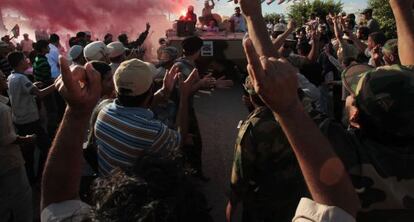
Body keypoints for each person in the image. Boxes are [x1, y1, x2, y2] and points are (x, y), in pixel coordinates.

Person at [227, 76, 310, 222]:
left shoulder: (253, 127)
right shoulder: (297, 113)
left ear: (251, 97)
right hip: (298, 197)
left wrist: (231, 205)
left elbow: (240, 173)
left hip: (264, 202)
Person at [94, 59, 194, 176]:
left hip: (108, 183)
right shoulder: (152, 131)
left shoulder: (104, 110)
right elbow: (180, 141)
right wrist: (184, 97)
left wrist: (164, 91)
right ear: (151, 90)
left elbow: (135, 107)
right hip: (133, 190)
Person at [7, 51, 55, 183]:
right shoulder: (22, 78)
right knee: (47, 148)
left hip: (20, 120)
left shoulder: (12, 77)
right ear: (19, 62)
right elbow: (40, 94)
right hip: (30, 121)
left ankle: (31, 179)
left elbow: (25, 91)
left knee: (28, 154)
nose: (27, 60)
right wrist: (57, 84)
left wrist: (33, 86)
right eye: (24, 59)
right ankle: (41, 178)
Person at [0, 70, 36, 222]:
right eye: (1, 77)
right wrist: (27, 139)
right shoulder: (2, 110)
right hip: (9, 161)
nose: (4, 78)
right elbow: (7, 139)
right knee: (21, 197)